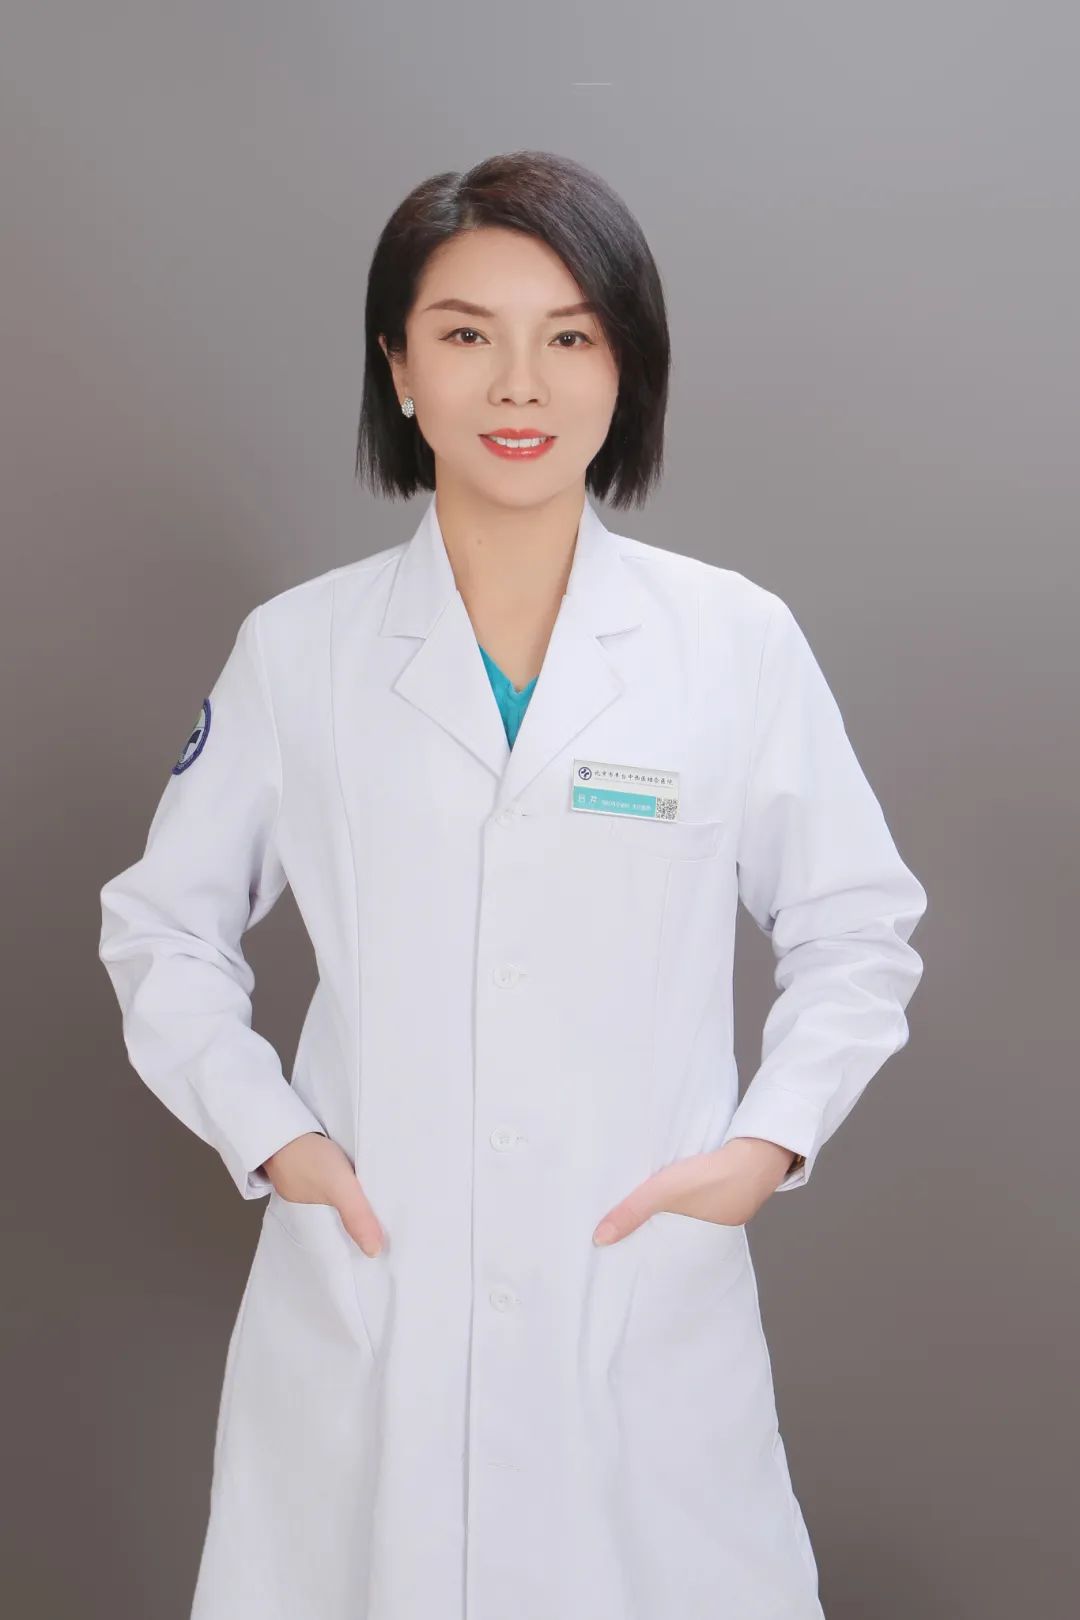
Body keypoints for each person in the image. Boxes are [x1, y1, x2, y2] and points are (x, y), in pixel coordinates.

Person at [98, 149, 928, 1620]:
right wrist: (276, 1140)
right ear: (398, 367)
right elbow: (163, 927)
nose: (520, 386)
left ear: (627, 367)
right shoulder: (300, 652)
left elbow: (858, 927)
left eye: (571, 337)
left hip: (633, 1295)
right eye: (468, 334)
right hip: (378, 1284)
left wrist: (766, 1144)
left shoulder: (732, 644)